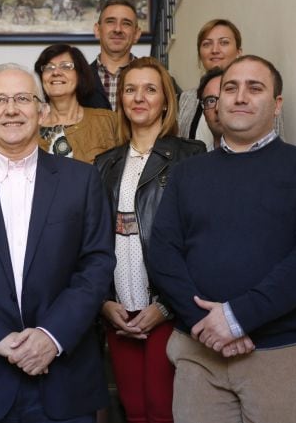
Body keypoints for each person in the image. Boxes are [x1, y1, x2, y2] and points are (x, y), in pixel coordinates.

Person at [149, 55, 296, 423]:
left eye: (254, 88)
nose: (240, 97)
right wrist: (207, 324)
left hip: (278, 354)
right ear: (217, 102)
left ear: (276, 104)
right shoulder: (186, 173)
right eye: (230, 88)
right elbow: (163, 253)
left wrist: (238, 317)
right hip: (198, 352)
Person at [0, 63, 116, 423]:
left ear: (42, 111)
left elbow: (97, 265)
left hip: (63, 375)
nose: (10, 110)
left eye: (22, 99)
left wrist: (51, 336)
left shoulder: (83, 180)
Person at [95, 57, 205, 423]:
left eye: (150, 89)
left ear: (165, 100)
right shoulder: (104, 163)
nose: (139, 97)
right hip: (119, 310)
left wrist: (165, 307)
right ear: (121, 100)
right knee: (134, 409)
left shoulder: (191, 157)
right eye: (130, 89)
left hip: (166, 309)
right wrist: (104, 304)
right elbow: (93, 241)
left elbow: (200, 242)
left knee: (163, 409)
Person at [177, 18, 283, 147]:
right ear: (200, 54)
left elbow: (274, 142)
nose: (215, 50)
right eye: (207, 44)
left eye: (224, 42)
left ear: (239, 52)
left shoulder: (260, 93)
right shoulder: (187, 98)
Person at [34, 44, 119, 164]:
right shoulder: (29, 126)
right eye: (49, 67)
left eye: (65, 66)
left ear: (79, 75)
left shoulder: (108, 121)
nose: (56, 72)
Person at [82, 0, 142, 109]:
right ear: (97, 30)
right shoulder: (78, 80)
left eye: (126, 23)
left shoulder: (157, 80)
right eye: (110, 22)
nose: (118, 29)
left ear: (136, 34)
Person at [194, 67, 224, 151]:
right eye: (211, 101)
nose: (218, 108)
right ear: (204, 113)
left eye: (224, 98)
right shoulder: (197, 162)